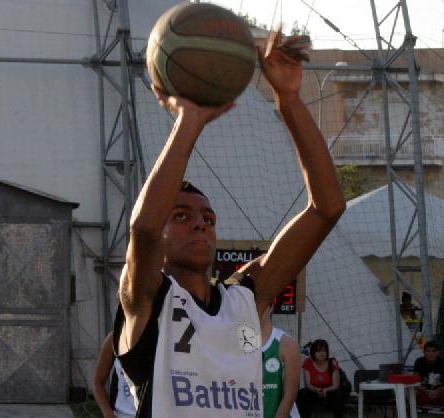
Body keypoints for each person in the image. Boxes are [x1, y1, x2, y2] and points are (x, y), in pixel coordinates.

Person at [112, 30, 346, 418]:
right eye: (182, 216)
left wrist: (288, 98)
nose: (200, 225)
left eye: (208, 219)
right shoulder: (147, 299)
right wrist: (190, 119)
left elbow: (327, 208)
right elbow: (145, 228)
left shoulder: (245, 299)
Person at [260, 303, 301, 418]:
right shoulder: (233, 345)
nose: (255, 308)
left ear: (271, 305)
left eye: (260, 303)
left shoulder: (287, 345)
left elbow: (289, 396)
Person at [296, 339, 349, 418]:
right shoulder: (308, 362)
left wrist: (326, 390)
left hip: (329, 392)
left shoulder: (332, 363)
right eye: (318, 351)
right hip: (314, 391)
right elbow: (308, 384)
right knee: (303, 393)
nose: (321, 353)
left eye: (324, 351)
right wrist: (317, 390)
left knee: (338, 394)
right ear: (313, 352)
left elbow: (336, 385)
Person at [92, 332, 137, 418]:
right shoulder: (115, 338)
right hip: (122, 414)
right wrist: (108, 413)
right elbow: (97, 382)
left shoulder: (161, 337)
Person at [413, 341, 444, 418]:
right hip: (424, 393)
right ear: (424, 353)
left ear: (438, 353)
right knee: (412, 392)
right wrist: (427, 391)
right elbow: (414, 382)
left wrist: (438, 391)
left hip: (439, 394)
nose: (431, 354)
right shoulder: (419, 362)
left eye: (433, 351)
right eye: (428, 351)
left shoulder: (443, 362)